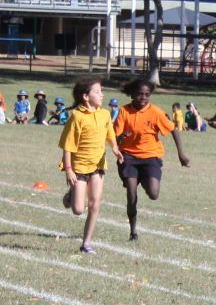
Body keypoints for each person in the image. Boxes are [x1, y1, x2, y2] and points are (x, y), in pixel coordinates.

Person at [114, 76, 190, 241]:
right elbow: (114, 136)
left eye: (147, 94)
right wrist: (121, 138)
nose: (143, 98)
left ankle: (144, 179)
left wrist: (181, 154)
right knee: (131, 195)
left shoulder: (155, 112)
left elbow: (173, 129)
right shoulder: (123, 111)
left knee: (154, 193)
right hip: (128, 157)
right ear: (132, 94)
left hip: (151, 157)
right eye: (140, 94)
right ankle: (133, 232)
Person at [56, 76, 122, 253]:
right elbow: (67, 146)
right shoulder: (76, 116)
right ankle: (71, 196)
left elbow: (110, 135)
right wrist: (68, 170)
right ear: (86, 96)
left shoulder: (105, 114)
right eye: (98, 91)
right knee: (78, 209)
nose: (102, 94)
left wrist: (115, 149)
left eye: (102, 91)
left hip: (98, 166)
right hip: (78, 168)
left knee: (95, 204)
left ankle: (86, 243)